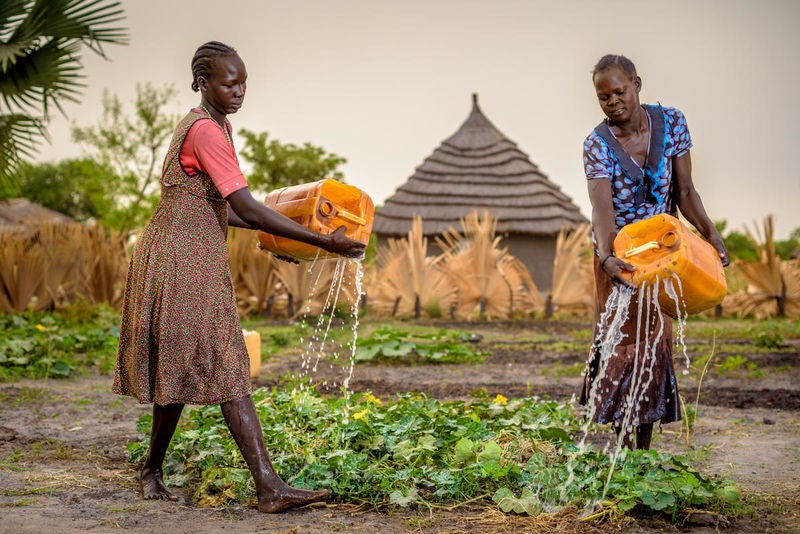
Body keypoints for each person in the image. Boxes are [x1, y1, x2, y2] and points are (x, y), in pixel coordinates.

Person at [113, 41, 365, 513]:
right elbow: (247, 206)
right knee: (228, 362)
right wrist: (324, 242)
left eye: (244, 82)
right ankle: (269, 488)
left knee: (181, 366)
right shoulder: (206, 131)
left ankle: (151, 469)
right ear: (202, 82)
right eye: (230, 83)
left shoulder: (213, 126)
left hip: (183, 254)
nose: (239, 91)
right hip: (182, 260)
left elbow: (223, 209)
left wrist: (281, 239)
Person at [579, 54, 728, 450]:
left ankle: (638, 455)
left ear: (637, 84)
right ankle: (624, 452)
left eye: (619, 91)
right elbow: (602, 212)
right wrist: (610, 260)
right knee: (622, 348)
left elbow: (685, 192)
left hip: (662, 256)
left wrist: (710, 234)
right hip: (620, 257)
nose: (612, 101)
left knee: (655, 344)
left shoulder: (673, 122)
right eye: (603, 96)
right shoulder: (597, 145)